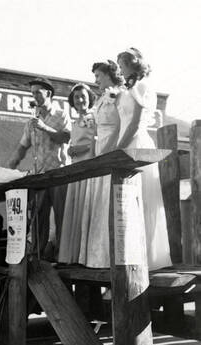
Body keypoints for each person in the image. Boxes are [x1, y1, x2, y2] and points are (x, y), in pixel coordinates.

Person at [116, 47, 171, 269]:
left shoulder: (143, 86)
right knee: (127, 201)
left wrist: (120, 147)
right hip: (124, 141)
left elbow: (137, 121)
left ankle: (148, 257)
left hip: (136, 143)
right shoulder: (126, 89)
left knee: (142, 197)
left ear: (133, 64)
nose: (120, 69)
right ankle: (130, 254)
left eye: (122, 65)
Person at [8, 77, 71, 257]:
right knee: (38, 218)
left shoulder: (61, 114)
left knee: (61, 218)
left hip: (59, 174)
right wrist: (9, 167)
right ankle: (37, 255)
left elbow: (65, 138)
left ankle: (62, 256)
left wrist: (45, 127)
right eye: (32, 93)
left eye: (37, 92)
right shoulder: (31, 121)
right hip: (40, 176)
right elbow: (22, 147)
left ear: (48, 93)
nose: (34, 96)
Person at [78, 60, 124, 268]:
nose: (95, 80)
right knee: (100, 203)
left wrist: (110, 150)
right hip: (100, 149)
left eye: (98, 76)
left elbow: (121, 125)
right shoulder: (99, 100)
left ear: (108, 75)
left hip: (113, 148)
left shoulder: (120, 94)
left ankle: (115, 255)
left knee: (111, 201)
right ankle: (99, 257)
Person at [58, 83, 96, 263]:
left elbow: (98, 143)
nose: (80, 100)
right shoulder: (74, 122)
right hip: (76, 167)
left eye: (83, 96)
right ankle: (74, 255)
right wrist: (70, 151)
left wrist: (78, 149)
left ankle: (87, 255)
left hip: (89, 167)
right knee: (76, 209)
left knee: (87, 207)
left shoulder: (94, 118)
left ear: (89, 97)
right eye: (76, 98)